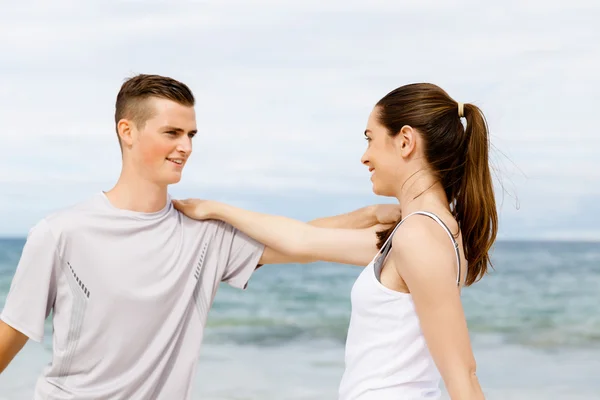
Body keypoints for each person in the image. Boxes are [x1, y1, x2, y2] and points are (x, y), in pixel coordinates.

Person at [0, 74, 400, 399]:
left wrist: (372, 215)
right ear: (127, 131)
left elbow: (302, 242)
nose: (186, 147)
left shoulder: (202, 234)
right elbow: (8, 340)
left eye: (191, 134)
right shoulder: (61, 233)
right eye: (172, 133)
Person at [173, 82, 498, 400]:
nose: (365, 157)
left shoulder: (419, 236)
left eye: (370, 139)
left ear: (405, 142)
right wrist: (213, 209)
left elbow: (462, 375)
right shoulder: (418, 232)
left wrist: (213, 208)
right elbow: (303, 240)